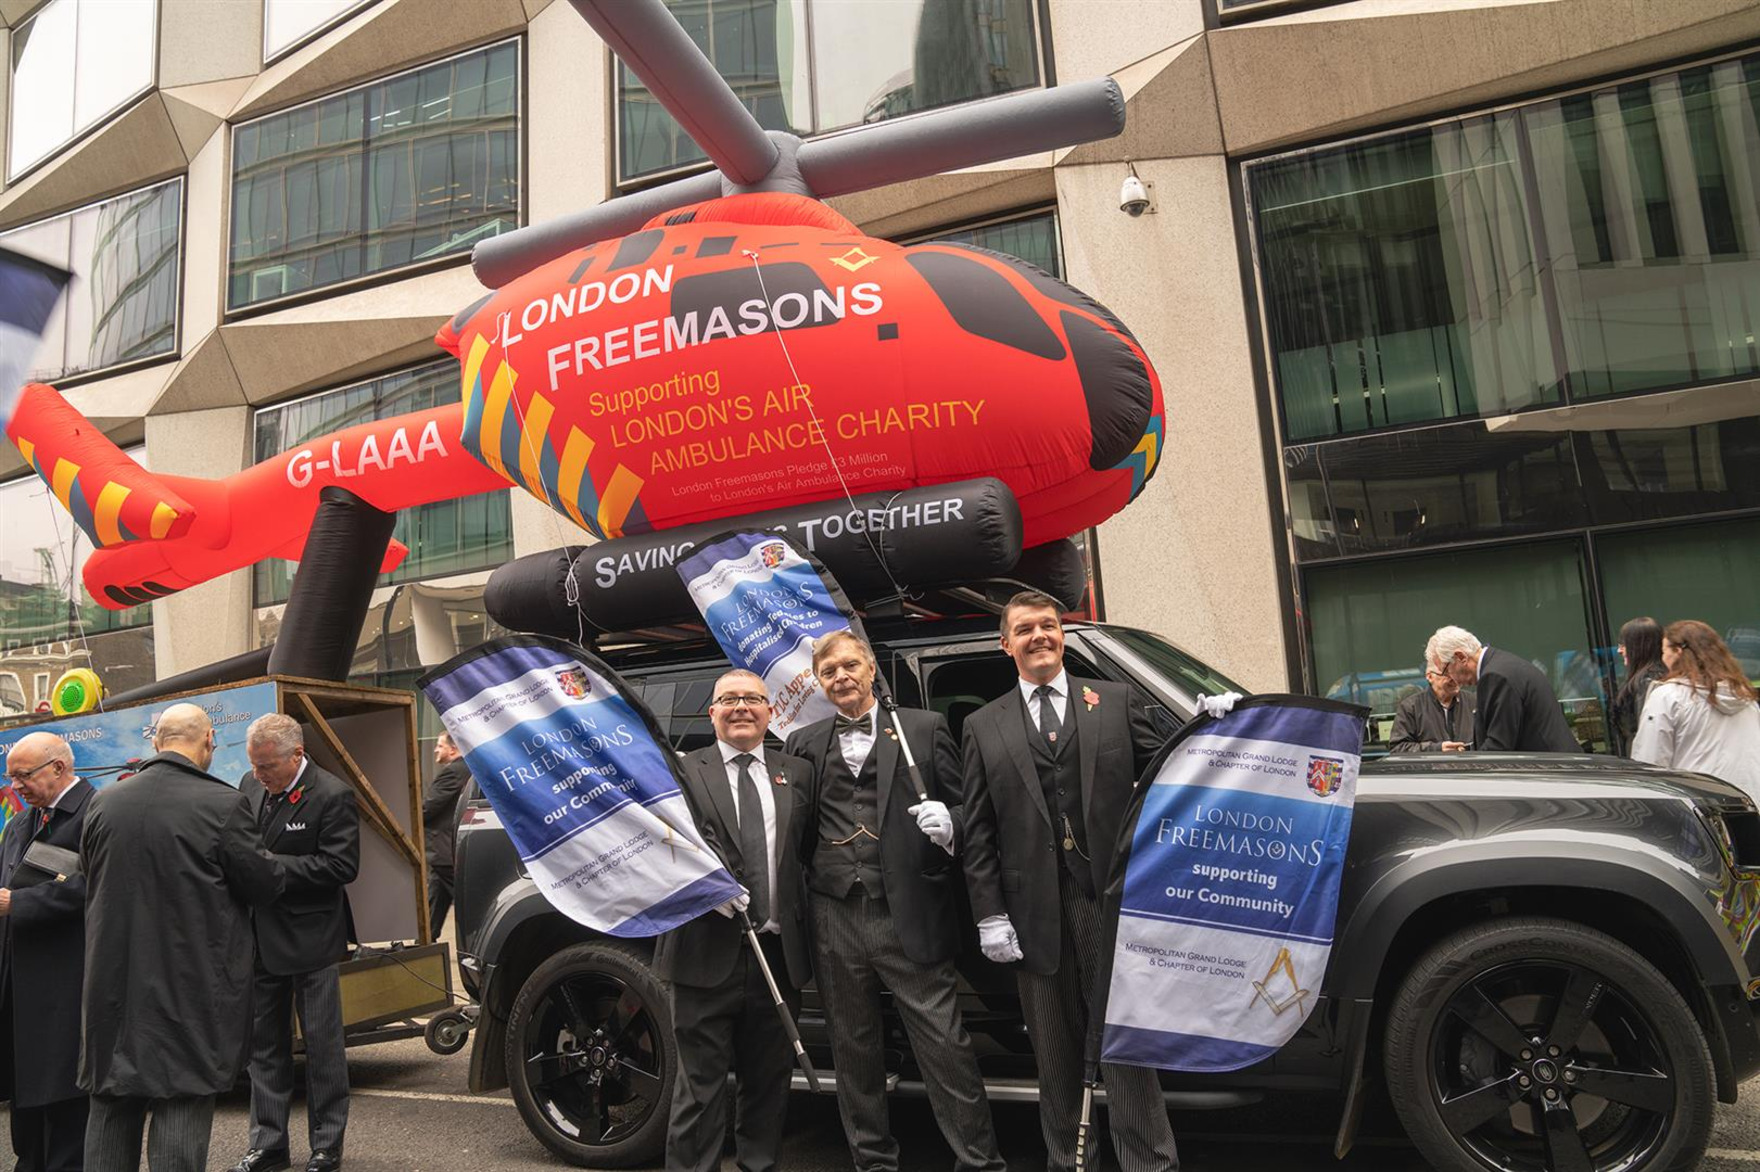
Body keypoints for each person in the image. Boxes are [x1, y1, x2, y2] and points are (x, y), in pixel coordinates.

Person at [961, 591, 1179, 1172]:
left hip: (1109, 903)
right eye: (1026, 628)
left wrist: (1216, 729)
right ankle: (1070, 1163)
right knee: (1053, 1052)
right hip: (1032, 913)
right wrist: (989, 913)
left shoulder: (1115, 699)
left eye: (1050, 626)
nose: (1040, 636)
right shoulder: (983, 725)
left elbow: (1171, 777)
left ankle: (1150, 1164)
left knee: (1126, 1047)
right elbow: (978, 831)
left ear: (1063, 634)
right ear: (1005, 644)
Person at [783, 631, 1005, 1172]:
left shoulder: (923, 730)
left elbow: (968, 810)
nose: (841, 677)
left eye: (850, 665)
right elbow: (795, 831)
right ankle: (873, 1160)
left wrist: (948, 823)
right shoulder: (804, 742)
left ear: (871, 667)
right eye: (829, 670)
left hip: (909, 910)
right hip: (833, 912)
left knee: (945, 1047)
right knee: (853, 1051)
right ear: (818, 679)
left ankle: (978, 1161)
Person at [80, 703, 284, 1172]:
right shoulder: (222, 803)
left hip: (112, 988)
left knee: (110, 1109)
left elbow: (91, 880)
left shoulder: (105, 802)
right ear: (209, 740)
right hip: (191, 987)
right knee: (181, 1105)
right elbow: (263, 885)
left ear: (156, 742)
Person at [655, 669, 815, 1172]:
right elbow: (658, 851)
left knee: (768, 1088)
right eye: (729, 700)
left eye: (752, 699)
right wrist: (704, 892)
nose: (741, 707)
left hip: (776, 957)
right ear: (712, 712)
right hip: (704, 953)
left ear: (771, 711)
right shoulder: (682, 771)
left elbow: (805, 857)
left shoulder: (797, 772)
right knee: (699, 1094)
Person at [227, 714, 360, 1172]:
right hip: (260, 937)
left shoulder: (332, 794)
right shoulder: (248, 784)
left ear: (296, 755)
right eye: (256, 766)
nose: (260, 776)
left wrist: (272, 868)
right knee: (264, 1047)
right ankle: (268, 1144)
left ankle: (326, 1145)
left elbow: (341, 867)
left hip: (311, 938)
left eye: (268, 767)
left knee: (322, 1047)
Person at [1, 732, 91, 1172]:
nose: (15, 785)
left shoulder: (94, 813)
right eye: (11, 777)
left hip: (67, 982)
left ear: (58, 768)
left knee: (65, 1103)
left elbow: (98, 888)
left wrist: (20, 904)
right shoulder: (21, 822)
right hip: (19, 984)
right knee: (27, 1106)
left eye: (23, 776)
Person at [1631, 620, 1760, 802]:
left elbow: (1650, 761)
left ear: (1678, 652)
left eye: (1664, 652)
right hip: (1750, 803)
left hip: (1699, 808)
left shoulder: (1668, 696)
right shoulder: (1746, 698)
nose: (1662, 658)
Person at [1426, 626, 1579, 753]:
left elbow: (1499, 747)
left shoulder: (1495, 677)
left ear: (1461, 657)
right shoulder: (1502, 664)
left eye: (1446, 671)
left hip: (1551, 777)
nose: (1451, 678)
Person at [422, 733, 471, 936]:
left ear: (453, 749)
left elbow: (427, 808)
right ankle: (426, 937)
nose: (435, 749)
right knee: (436, 895)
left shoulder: (453, 772)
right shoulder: (467, 769)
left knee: (466, 901)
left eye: (440, 745)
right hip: (445, 850)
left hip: (444, 850)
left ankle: (476, 938)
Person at [1610, 616, 1666, 754]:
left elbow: (1650, 735)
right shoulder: (1649, 678)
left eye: (1624, 644)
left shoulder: (1648, 682)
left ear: (1639, 646)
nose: (1619, 650)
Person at [1388, 667, 1474, 752]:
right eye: (1447, 673)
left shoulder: (1473, 702)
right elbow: (1398, 748)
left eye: (1458, 672)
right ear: (1430, 677)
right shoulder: (1411, 707)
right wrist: (1436, 749)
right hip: (1429, 766)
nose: (1455, 678)